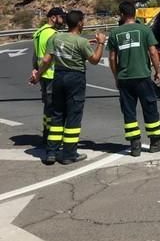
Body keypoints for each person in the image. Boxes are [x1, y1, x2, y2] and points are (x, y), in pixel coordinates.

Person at [30, 10, 106, 165]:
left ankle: (51, 152)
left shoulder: (56, 37)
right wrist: (101, 43)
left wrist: (37, 76)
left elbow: (46, 60)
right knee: (73, 114)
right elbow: (95, 60)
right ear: (79, 23)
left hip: (58, 77)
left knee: (57, 114)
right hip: (75, 78)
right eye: (83, 21)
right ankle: (69, 153)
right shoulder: (81, 42)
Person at [108, 1, 160, 157]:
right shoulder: (144, 30)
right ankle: (155, 142)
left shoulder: (115, 33)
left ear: (122, 15)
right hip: (143, 77)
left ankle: (135, 145)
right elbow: (153, 52)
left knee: (129, 112)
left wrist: (116, 76)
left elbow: (111, 58)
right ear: (135, 14)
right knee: (150, 108)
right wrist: (158, 71)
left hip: (125, 79)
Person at [31, 7, 66, 147]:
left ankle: (46, 134)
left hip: (43, 75)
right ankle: (54, 139)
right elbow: (58, 55)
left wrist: (35, 71)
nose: (63, 20)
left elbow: (36, 56)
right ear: (53, 17)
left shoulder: (39, 33)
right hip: (53, 75)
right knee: (56, 109)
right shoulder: (53, 34)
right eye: (61, 17)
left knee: (47, 107)